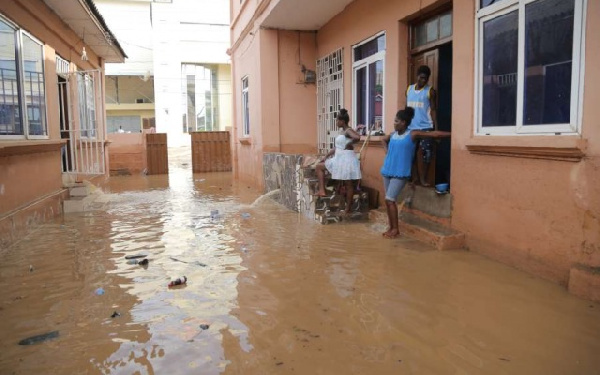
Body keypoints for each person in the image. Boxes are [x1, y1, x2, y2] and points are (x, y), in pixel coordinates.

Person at [380, 107, 450, 239]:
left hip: (400, 173)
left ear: (404, 123)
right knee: (388, 201)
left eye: (397, 121)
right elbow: (383, 139)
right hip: (387, 170)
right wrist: (387, 151)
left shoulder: (412, 134)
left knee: (390, 199)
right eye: (394, 121)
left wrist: (453, 134)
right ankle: (391, 227)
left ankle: (395, 230)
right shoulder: (393, 135)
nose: (394, 123)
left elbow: (434, 135)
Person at [315, 108, 361, 217]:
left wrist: (349, 143)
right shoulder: (342, 132)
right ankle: (322, 190)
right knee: (319, 167)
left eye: (337, 121)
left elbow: (357, 137)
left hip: (346, 160)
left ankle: (348, 208)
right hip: (339, 159)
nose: (336, 122)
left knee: (349, 184)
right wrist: (326, 156)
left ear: (343, 121)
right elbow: (337, 147)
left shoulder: (348, 130)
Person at [406, 65, 437, 186]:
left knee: (426, 155)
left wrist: (436, 128)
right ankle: (415, 178)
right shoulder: (409, 89)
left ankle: (423, 179)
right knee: (412, 155)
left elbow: (433, 110)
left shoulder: (430, 91)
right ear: (417, 76)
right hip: (411, 128)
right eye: (421, 77)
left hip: (426, 128)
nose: (423, 81)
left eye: (426, 78)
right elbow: (407, 108)